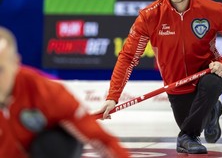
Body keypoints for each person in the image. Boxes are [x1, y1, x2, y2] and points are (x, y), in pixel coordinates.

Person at [95, 0, 222, 154]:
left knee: (211, 86)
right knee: (189, 119)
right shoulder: (149, 16)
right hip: (176, 87)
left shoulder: (213, 10)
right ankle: (212, 111)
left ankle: (186, 136)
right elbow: (128, 57)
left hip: (206, 75)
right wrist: (113, 97)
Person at [0, 26, 130, 158]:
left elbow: (100, 138)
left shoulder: (45, 92)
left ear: (15, 64)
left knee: (55, 144)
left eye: (0, 70)